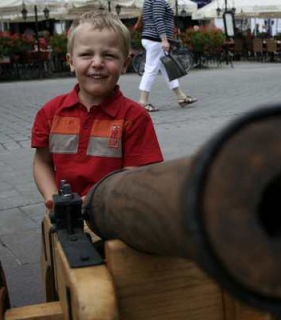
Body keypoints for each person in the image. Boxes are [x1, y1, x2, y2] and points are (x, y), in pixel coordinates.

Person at [31, 11, 164, 210]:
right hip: (67, 212)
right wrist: (54, 197)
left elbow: (134, 175)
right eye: (86, 54)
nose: (97, 63)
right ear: (70, 62)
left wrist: (96, 202)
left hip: (115, 212)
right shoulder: (50, 113)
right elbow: (42, 162)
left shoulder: (134, 117)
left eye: (109, 55)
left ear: (125, 63)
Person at [138, 0, 197, 112]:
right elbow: (158, 18)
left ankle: (181, 96)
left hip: (151, 38)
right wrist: (164, 39)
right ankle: (143, 101)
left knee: (166, 68)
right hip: (156, 40)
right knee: (151, 69)